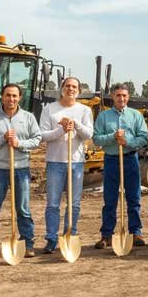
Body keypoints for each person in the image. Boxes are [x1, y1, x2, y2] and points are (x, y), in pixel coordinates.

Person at [0, 83, 42, 262]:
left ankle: (27, 244)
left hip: (21, 169)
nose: (11, 99)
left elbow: (37, 139)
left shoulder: (28, 118)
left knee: (23, 209)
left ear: (20, 97)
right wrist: (1, 139)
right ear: (2, 97)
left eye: (14, 96)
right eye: (8, 95)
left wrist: (19, 143)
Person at [39, 77, 94, 254]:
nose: (71, 89)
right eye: (68, 86)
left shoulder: (85, 110)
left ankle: (70, 234)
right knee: (53, 204)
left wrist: (75, 125)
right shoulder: (49, 109)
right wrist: (61, 129)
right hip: (55, 161)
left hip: (76, 162)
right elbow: (42, 135)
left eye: (74, 86)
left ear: (79, 90)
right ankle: (51, 239)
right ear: (62, 88)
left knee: (74, 204)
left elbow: (88, 134)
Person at [92, 83, 148, 249]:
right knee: (109, 199)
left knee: (134, 197)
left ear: (128, 97)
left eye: (124, 95)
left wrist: (128, 141)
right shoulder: (103, 116)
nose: (121, 98)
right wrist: (113, 136)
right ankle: (106, 235)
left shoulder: (135, 115)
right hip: (111, 160)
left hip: (131, 159)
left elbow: (144, 138)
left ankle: (135, 232)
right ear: (113, 97)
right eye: (118, 95)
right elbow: (96, 139)